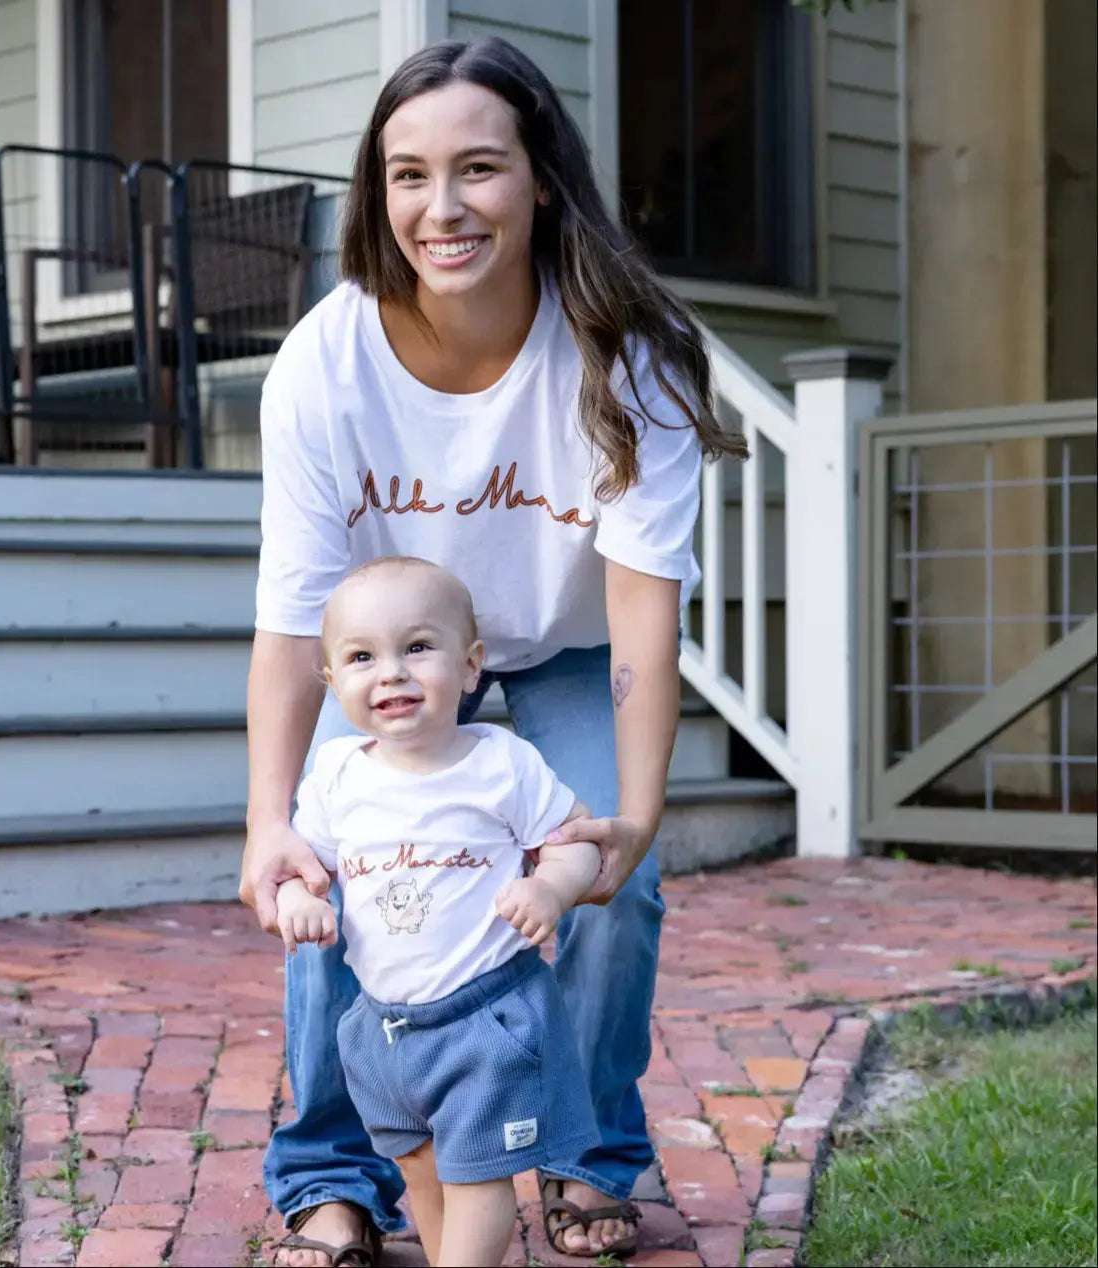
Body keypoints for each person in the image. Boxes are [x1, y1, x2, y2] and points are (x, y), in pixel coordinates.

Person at [240, 33, 747, 1267]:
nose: (441, 206)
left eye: (478, 167)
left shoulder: (628, 356)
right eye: (406, 174)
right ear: (376, 191)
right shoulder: (325, 361)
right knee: (335, 872)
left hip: (569, 646)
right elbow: (292, 617)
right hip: (399, 653)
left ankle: (586, 1155)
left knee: (611, 894)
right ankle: (328, 1169)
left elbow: (639, 612)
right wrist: (268, 817)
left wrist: (629, 818)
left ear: (539, 178)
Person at [275, 556, 602, 1266]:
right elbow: (305, 864)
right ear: (333, 682)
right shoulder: (335, 773)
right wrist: (298, 897)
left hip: (486, 1017)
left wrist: (551, 888)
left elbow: (576, 842)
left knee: (477, 1174)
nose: (390, 672)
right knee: (421, 1167)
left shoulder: (500, 763)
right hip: (382, 1027)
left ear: (470, 665)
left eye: (418, 647)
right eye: (362, 657)